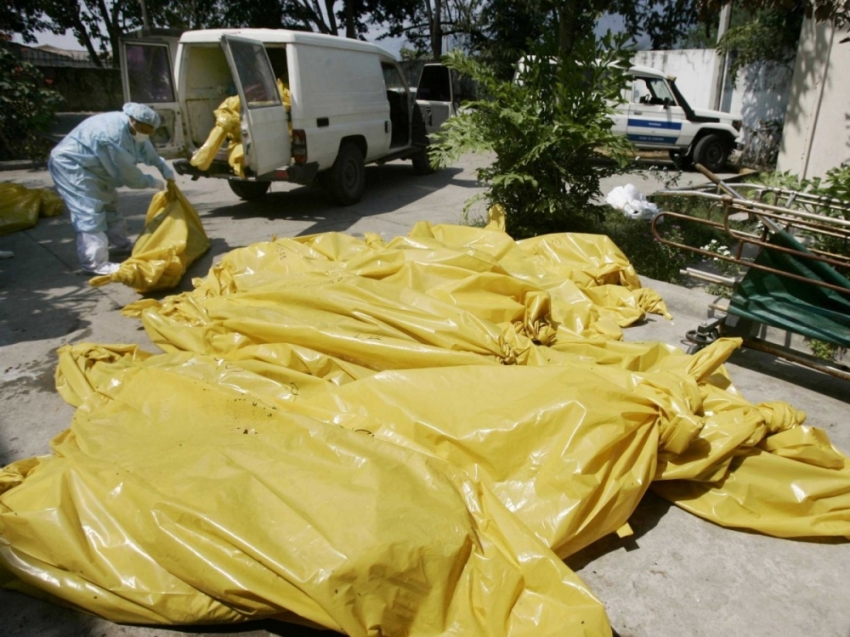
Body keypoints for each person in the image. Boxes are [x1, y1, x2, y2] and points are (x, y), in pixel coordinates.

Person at [48, 103, 175, 275]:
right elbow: (128, 174)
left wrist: (162, 166)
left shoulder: (134, 128)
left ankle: (120, 244)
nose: (146, 134)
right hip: (72, 165)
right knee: (88, 211)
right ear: (133, 120)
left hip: (94, 166)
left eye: (150, 130)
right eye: (144, 129)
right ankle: (95, 264)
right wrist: (151, 182)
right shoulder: (114, 134)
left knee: (109, 204)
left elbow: (146, 148)